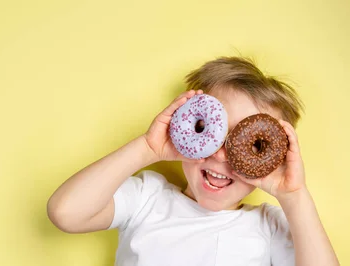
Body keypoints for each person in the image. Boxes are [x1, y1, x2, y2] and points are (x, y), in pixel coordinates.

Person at [47, 56, 339, 266]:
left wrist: (294, 196)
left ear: (270, 160)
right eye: (211, 133)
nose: (220, 154)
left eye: (251, 146)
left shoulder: (269, 226)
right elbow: (66, 213)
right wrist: (147, 148)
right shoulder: (148, 199)